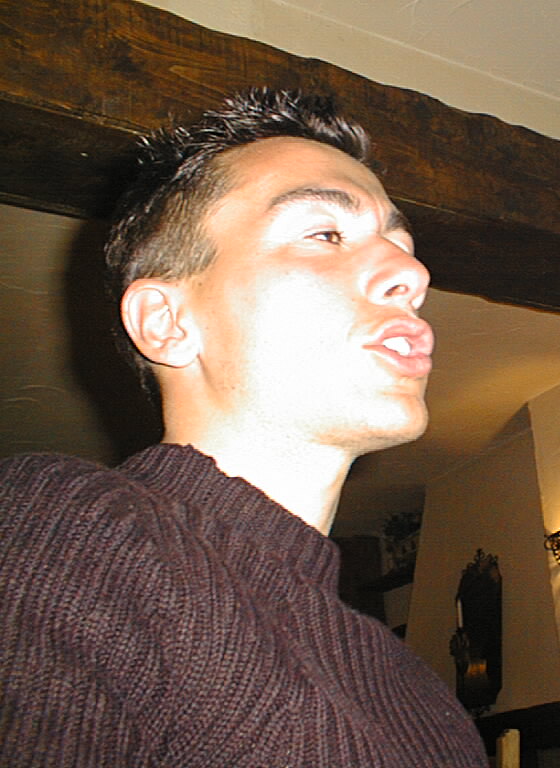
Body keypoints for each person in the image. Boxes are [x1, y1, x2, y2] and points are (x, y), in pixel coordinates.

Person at [0, 89, 487, 766]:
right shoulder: (64, 530)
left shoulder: (422, 694)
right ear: (167, 322)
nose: (413, 272)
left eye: (402, 246)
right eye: (324, 233)